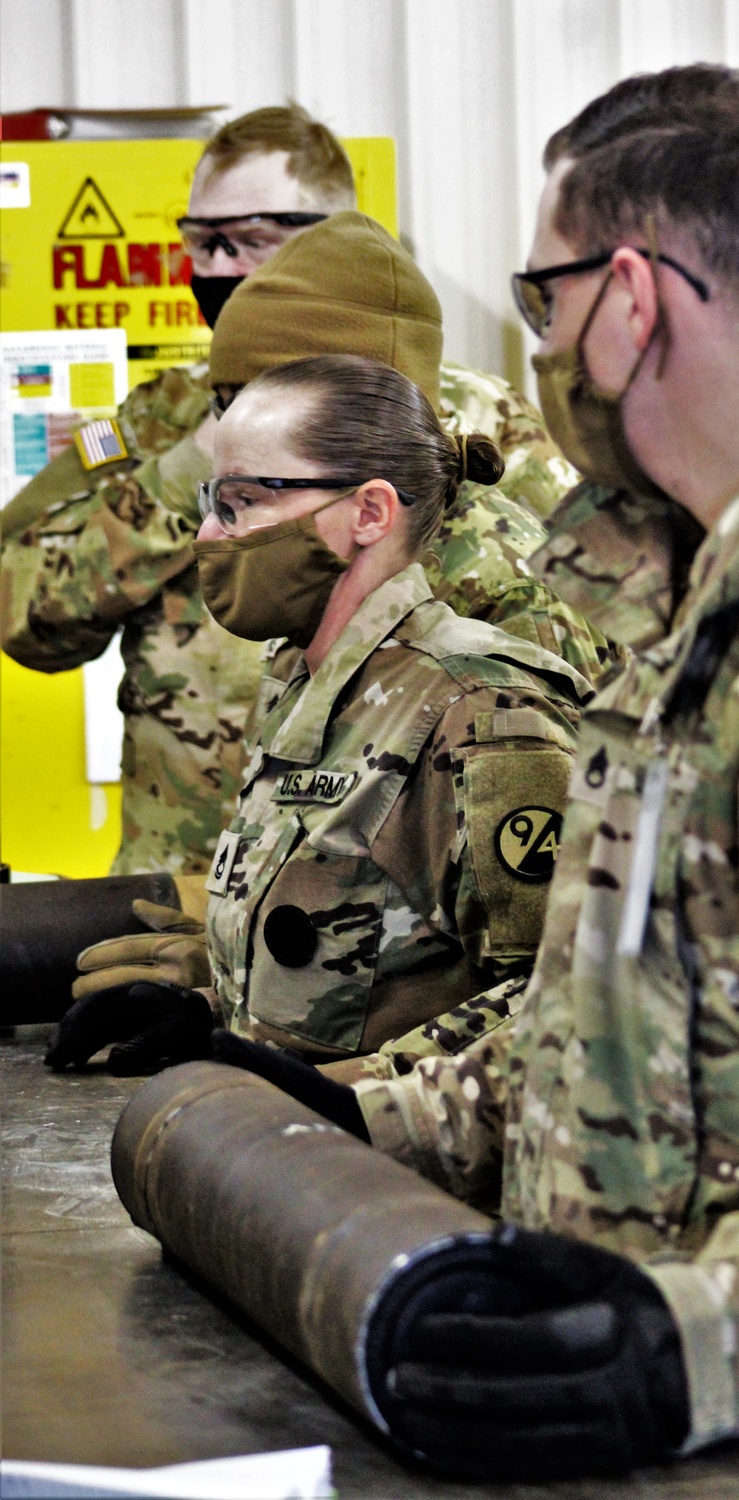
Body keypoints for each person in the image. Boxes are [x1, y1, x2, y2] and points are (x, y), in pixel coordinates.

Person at [210, 67, 739, 1489]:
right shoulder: (695, 600)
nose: (542, 350)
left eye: (546, 301)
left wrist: (670, 1347)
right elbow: (610, 1024)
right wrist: (352, 1114)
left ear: (631, 300)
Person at [1, 104, 590, 877]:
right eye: (200, 240)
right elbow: (23, 611)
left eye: (250, 238)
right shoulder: (156, 418)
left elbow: (579, 638)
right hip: (184, 868)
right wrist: (180, 479)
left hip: (377, 902)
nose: (216, 267)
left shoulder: (481, 420)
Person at [44, 353, 592, 1074]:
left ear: (368, 513)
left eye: (242, 502)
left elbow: (567, 1006)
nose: (209, 535)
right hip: (288, 1167)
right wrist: (213, 1017)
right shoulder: (307, 687)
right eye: (212, 501)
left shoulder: (482, 711)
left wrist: (351, 1098)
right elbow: (377, 976)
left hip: (388, 1180)